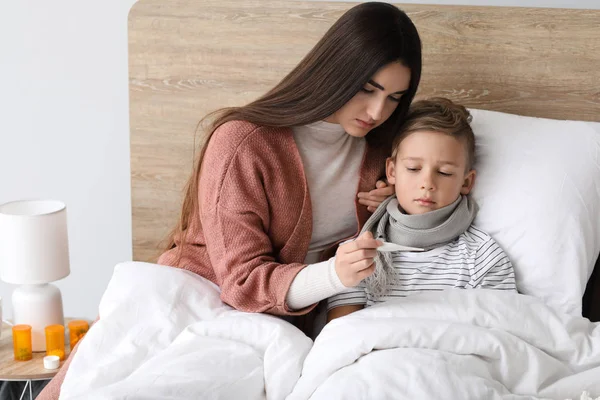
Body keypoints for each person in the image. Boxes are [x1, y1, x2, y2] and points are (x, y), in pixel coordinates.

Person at [38, 3, 422, 398]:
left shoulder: (386, 154)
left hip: (279, 322)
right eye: (367, 89)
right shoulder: (244, 142)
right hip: (200, 296)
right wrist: (332, 276)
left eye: (395, 97)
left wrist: (398, 200)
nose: (377, 111)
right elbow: (240, 282)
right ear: (334, 71)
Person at [327, 98, 517, 322]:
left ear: (466, 183)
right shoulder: (359, 252)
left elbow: (503, 334)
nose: (427, 183)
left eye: (445, 172)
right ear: (392, 171)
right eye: (413, 168)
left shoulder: (482, 256)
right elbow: (339, 335)